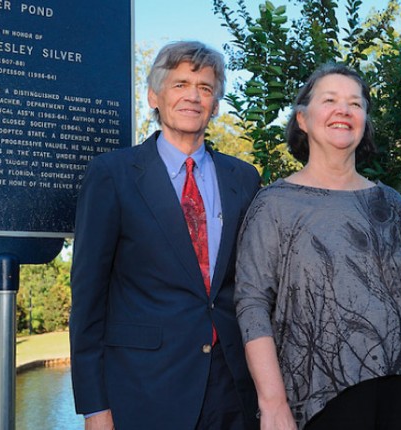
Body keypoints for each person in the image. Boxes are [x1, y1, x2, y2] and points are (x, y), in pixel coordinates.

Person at [69, 41, 260, 430]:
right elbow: (88, 299)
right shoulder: (113, 174)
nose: (193, 96)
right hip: (144, 390)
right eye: (180, 84)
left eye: (205, 88)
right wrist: (94, 408)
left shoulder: (243, 178)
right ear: (154, 96)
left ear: (216, 104)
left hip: (231, 389)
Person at [235, 63, 401, 430]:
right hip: (322, 397)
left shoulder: (390, 202)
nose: (344, 110)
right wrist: (273, 403)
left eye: (355, 104)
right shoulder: (274, 204)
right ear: (303, 119)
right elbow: (251, 304)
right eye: (329, 100)